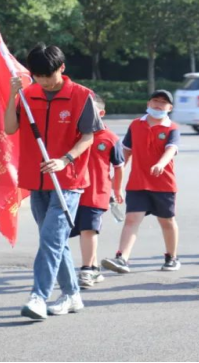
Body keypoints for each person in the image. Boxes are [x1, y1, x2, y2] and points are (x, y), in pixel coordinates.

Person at [5, 44, 101, 321]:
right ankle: (72, 295)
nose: (44, 82)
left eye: (48, 75)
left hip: (67, 182)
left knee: (50, 240)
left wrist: (65, 159)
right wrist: (13, 96)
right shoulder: (27, 94)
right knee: (55, 241)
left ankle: (39, 296)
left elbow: (89, 137)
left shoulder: (82, 96)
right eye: (38, 76)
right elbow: (10, 128)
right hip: (36, 180)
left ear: (62, 68)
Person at [102, 91, 182, 275]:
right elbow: (126, 152)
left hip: (164, 184)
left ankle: (172, 257)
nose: (158, 105)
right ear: (148, 103)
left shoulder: (172, 128)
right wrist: (117, 176)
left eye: (163, 102)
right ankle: (122, 258)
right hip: (138, 183)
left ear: (170, 108)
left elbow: (171, 149)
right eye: (155, 100)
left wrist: (161, 164)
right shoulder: (136, 124)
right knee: (131, 219)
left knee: (167, 221)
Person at [72, 95, 125, 289]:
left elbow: (119, 166)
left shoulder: (110, 138)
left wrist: (117, 189)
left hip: (97, 192)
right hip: (73, 191)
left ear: (101, 113)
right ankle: (94, 267)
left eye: (90, 110)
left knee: (88, 229)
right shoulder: (74, 134)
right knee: (82, 230)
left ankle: (87, 269)